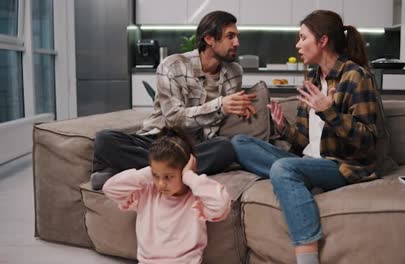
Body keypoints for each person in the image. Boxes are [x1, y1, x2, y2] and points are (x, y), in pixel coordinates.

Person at [231, 10, 380, 264]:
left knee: (283, 168)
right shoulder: (313, 77)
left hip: (341, 164)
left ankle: (307, 258)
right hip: (310, 158)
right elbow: (302, 141)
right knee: (239, 143)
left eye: (303, 38)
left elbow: (368, 141)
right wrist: (281, 127)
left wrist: (329, 111)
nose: (297, 44)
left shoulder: (356, 76)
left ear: (322, 41)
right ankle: (300, 178)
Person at [91, 11, 256, 190]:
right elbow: (174, 119)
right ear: (209, 39)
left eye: (237, 37)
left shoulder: (234, 72)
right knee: (104, 140)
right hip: (160, 140)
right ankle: (175, 174)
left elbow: (227, 119)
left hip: (196, 147)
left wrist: (245, 109)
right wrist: (220, 106)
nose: (237, 43)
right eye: (230, 37)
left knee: (224, 148)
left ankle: (132, 174)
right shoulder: (172, 65)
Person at [103, 127, 231, 264]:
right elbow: (110, 188)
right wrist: (148, 172)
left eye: (168, 177)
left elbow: (221, 204)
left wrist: (190, 176)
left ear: (184, 170)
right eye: (156, 176)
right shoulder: (147, 192)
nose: (161, 184)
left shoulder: (196, 198)